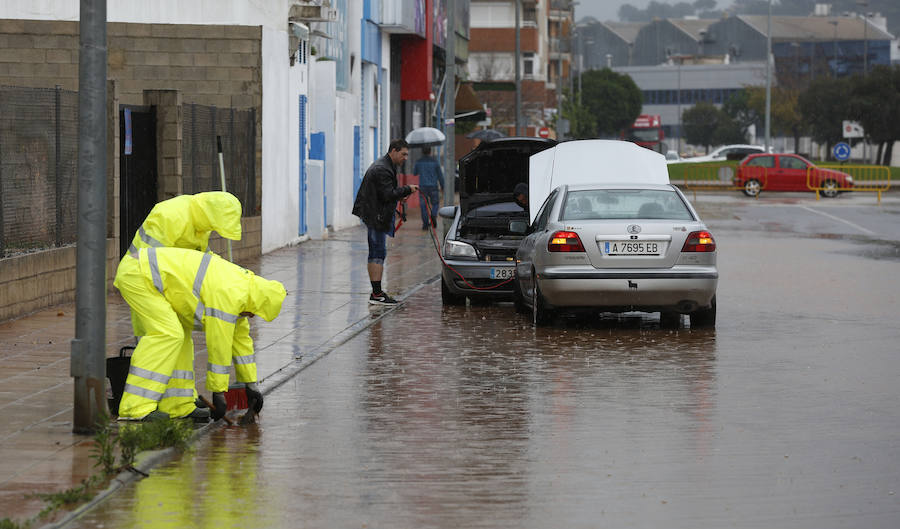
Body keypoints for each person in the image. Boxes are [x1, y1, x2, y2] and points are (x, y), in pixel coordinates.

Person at [113, 246, 286, 422]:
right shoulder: (229, 295)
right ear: (257, 302)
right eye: (255, 312)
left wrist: (251, 385)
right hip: (138, 273)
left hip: (146, 273)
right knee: (168, 335)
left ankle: (178, 406)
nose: (252, 315)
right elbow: (219, 346)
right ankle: (134, 409)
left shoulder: (245, 293)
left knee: (182, 339)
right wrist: (218, 393)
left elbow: (241, 341)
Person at [352, 139, 418, 305]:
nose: (405, 158)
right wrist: (407, 189)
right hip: (376, 216)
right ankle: (376, 294)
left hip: (375, 213)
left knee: (378, 253)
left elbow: (386, 192)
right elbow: (387, 194)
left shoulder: (386, 166)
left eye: (407, 155)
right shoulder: (383, 168)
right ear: (393, 151)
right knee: (377, 253)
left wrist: (399, 196)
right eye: (403, 154)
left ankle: (377, 292)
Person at [412, 146, 444, 230]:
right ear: (430, 152)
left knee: (423, 206)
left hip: (422, 186)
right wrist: (443, 186)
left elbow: (414, 173)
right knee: (435, 203)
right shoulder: (435, 162)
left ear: (422, 152)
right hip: (433, 186)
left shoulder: (418, 162)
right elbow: (440, 175)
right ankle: (433, 215)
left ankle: (425, 224)